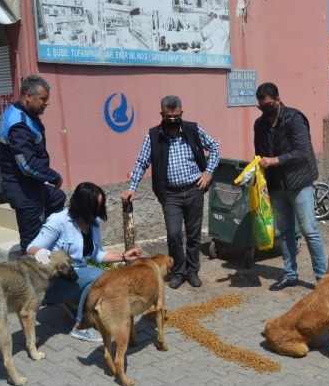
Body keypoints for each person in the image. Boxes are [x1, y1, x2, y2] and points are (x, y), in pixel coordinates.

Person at [121, 95, 219, 289]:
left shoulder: (193, 129)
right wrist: (132, 188)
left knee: (193, 234)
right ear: (162, 114)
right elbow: (142, 162)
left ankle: (192, 271)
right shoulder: (154, 135)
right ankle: (178, 271)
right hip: (170, 195)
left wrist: (208, 172)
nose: (172, 119)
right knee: (174, 234)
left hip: (194, 190)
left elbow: (214, 147)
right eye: (168, 116)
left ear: (181, 113)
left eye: (176, 116)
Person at [28, 182, 142, 342]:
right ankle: (81, 327)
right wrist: (39, 252)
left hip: (74, 276)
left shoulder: (93, 223)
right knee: (100, 276)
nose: (98, 211)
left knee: (98, 276)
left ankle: (74, 303)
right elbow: (32, 247)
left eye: (100, 205)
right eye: (95, 206)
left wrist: (124, 256)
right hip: (53, 283)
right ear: (83, 205)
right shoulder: (59, 220)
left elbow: (97, 255)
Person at [253, 82, 327, 291]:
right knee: (285, 232)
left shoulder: (295, 119)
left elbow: (303, 151)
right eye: (260, 106)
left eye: (267, 105)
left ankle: (322, 279)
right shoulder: (260, 125)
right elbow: (259, 153)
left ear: (277, 100)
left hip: (300, 181)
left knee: (309, 230)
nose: (264, 110)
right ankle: (290, 274)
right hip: (276, 185)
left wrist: (274, 160)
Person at [0, 75, 66, 256]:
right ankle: (31, 274)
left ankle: (48, 239)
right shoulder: (19, 124)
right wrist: (54, 176)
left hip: (30, 185)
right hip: (23, 188)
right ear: (29, 96)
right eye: (43, 99)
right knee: (31, 247)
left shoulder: (22, 114)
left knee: (57, 198)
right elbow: (27, 165)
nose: (46, 103)